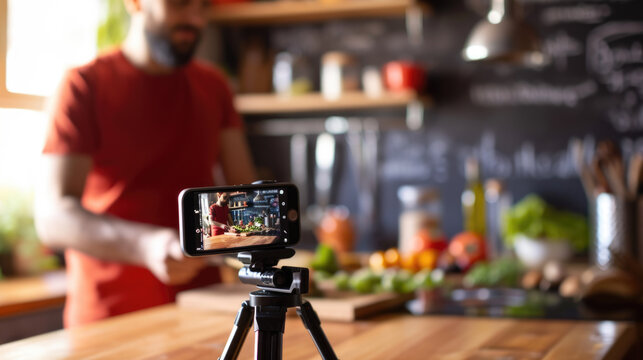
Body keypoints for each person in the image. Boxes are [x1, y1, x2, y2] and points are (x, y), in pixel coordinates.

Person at [34, 0, 256, 327]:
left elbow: (246, 198)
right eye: (179, 4)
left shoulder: (214, 87)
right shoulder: (83, 85)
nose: (195, 19)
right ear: (135, 3)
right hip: (108, 323)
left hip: (203, 316)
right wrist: (146, 244)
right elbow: (53, 217)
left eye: (203, 7)